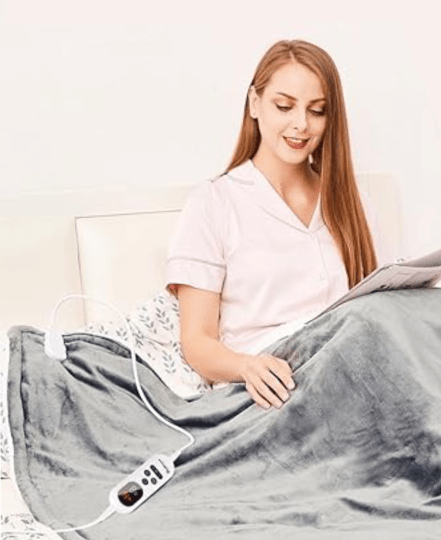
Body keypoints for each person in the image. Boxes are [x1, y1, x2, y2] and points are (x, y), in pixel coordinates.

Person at [164, 39, 384, 412]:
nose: (301, 124)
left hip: (345, 378)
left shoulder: (347, 200)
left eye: (317, 111)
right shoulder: (215, 202)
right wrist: (246, 366)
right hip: (267, 392)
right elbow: (197, 341)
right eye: (284, 106)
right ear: (254, 103)